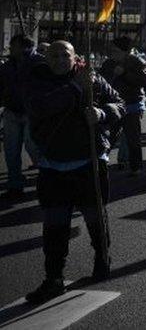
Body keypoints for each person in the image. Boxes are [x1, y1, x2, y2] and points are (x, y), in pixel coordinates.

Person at [24, 41, 124, 304]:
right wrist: (76, 87)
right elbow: (40, 108)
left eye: (64, 54)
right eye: (53, 55)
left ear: (74, 57)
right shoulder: (38, 80)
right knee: (55, 227)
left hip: (89, 161)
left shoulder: (93, 78)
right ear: (46, 58)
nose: (58, 59)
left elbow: (120, 104)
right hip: (53, 164)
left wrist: (103, 113)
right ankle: (53, 279)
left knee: (96, 219)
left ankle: (102, 260)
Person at [0, 33, 44, 200]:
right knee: (11, 151)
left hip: (32, 112)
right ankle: (15, 185)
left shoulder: (39, 62)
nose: (10, 49)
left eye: (13, 46)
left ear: (22, 46)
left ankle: (45, 180)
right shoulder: (8, 65)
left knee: (33, 147)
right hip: (12, 111)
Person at [97, 37, 146, 174]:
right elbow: (101, 80)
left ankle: (136, 167)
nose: (112, 52)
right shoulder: (109, 63)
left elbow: (144, 81)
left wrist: (125, 73)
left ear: (124, 51)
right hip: (113, 105)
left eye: (115, 50)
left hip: (131, 105)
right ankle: (100, 162)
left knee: (133, 138)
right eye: (112, 50)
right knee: (108, 136)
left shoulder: (135, 62)